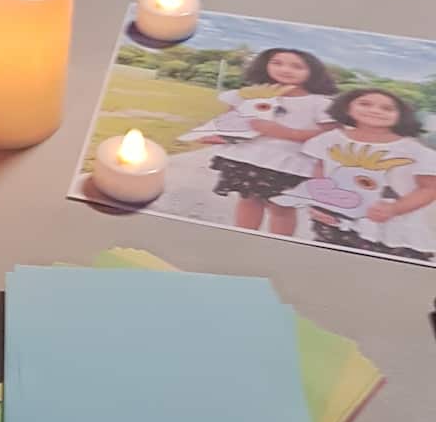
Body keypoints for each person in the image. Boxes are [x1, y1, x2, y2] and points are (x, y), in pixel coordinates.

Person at [182, 48, 336, 237]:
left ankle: (277, 244)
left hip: (287, 165)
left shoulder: (319, 103)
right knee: (248, 199)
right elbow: (231, 120)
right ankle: (244, 238)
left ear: (313, 71)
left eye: (297, 66)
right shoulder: (250, 94)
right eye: (277, 63)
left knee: (280, 208)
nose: (285, 69)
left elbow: (330, 135)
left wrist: (288, 133)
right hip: (246, 158)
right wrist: (218, 135)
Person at [276, 88, 436, 262]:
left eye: (387, 108)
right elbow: (320, 173)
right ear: (347, 107)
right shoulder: (328, 139)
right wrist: (318, 204)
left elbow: (429, 188)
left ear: (401, 116)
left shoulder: (415, 151)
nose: (375, 110)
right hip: (334, 224)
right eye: (365, 104)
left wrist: (395, 208)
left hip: (391, 233)